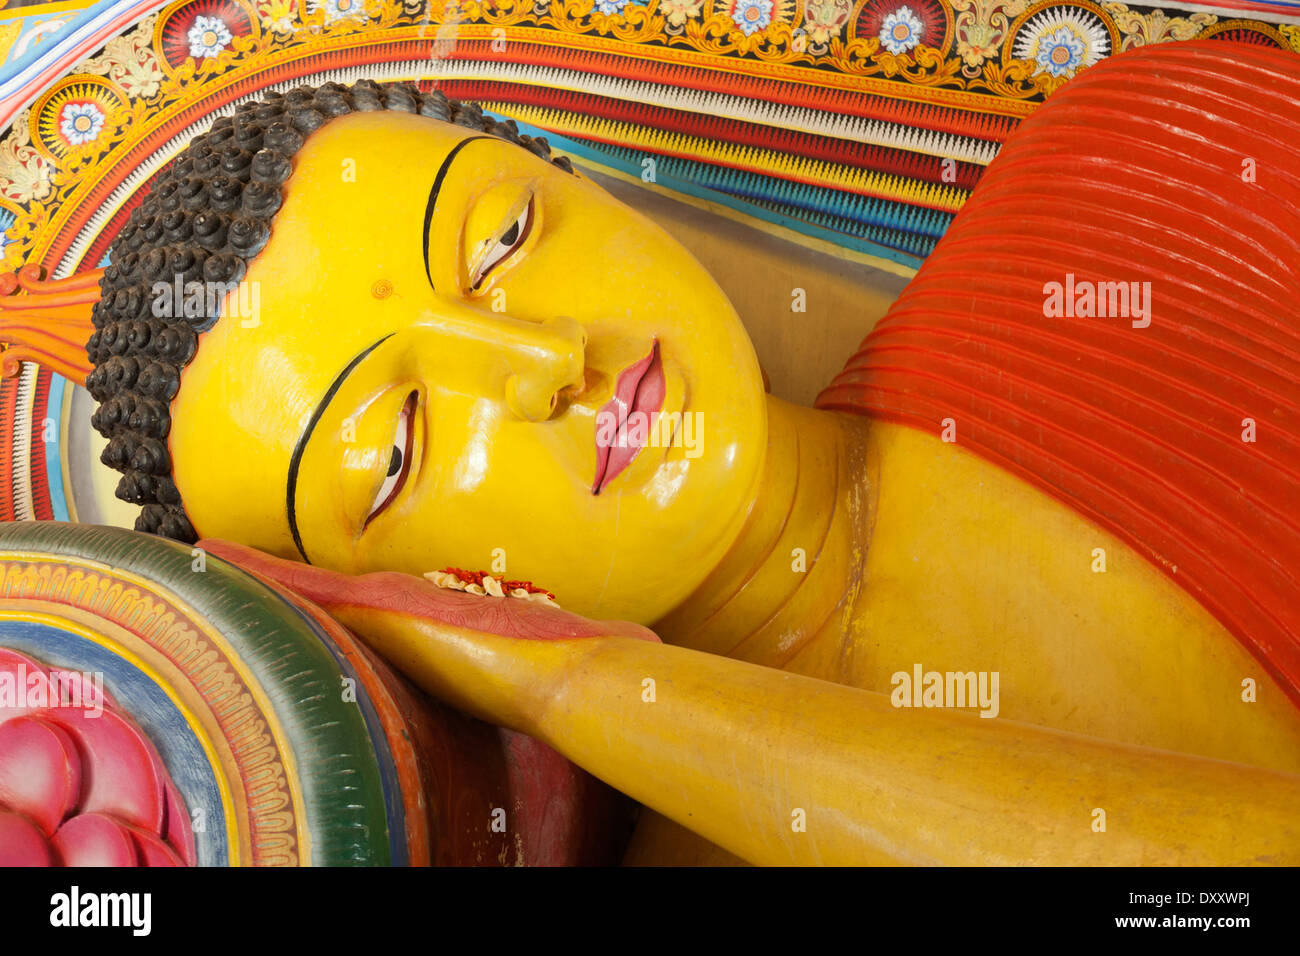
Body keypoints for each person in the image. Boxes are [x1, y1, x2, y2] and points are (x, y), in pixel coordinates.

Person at [13, 45, 1300, 864]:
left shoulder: (1150, 181)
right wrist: (582, 691)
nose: (538, 362)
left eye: (503, 238)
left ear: (587, 181)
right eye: (397, 447)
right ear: (381, 609)